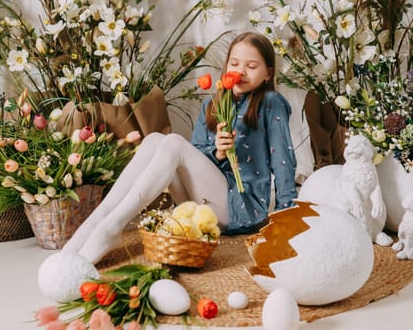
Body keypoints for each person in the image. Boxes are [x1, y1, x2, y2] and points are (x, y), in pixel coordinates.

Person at [63, 31, 298, 264]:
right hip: (203, 204)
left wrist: (285, 221)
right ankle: (100, 219)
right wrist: (217, 152)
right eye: (234, 63)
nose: (240, 71)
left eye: (252, 66)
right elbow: (196, 151)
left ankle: (113, 227)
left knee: (174, 143)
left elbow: (283, 161)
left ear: (268, 74)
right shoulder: (213, 103)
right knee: (154, 139)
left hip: (241, 210)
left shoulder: (271, 103)